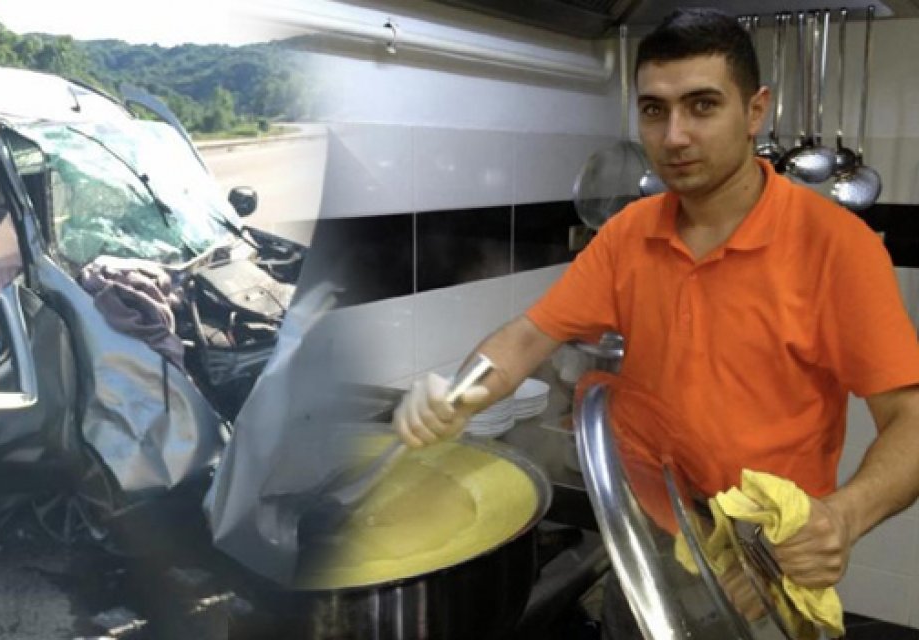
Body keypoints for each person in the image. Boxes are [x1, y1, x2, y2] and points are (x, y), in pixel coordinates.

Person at [393, 7, 919, 634]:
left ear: (755, 112)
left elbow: (909, 420)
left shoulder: (836, 246)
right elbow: (533, 334)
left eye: (702, 106)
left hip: (762, 559)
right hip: (645, 532)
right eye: (654, 110)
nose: (674, 136)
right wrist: (458, 396)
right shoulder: (628, 235)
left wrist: (844, 517)